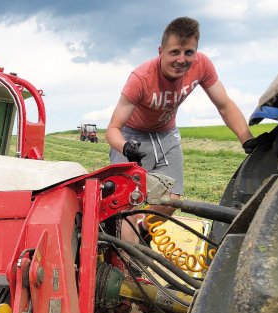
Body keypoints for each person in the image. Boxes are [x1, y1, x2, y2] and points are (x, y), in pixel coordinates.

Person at [105, 17, 262, 241]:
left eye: (188, 52)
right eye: (174, 52)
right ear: (161, 51)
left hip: (167, 134)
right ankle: (126, 261)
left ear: (196, 52)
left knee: (172, 200)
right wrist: (126, 147)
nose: (181, 60)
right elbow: (112, 129)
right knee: (127, 203)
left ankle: (143, 231)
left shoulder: (202, 65)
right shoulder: (140, 78)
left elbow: (224, 105)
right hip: (132, 136)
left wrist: (246, 139)